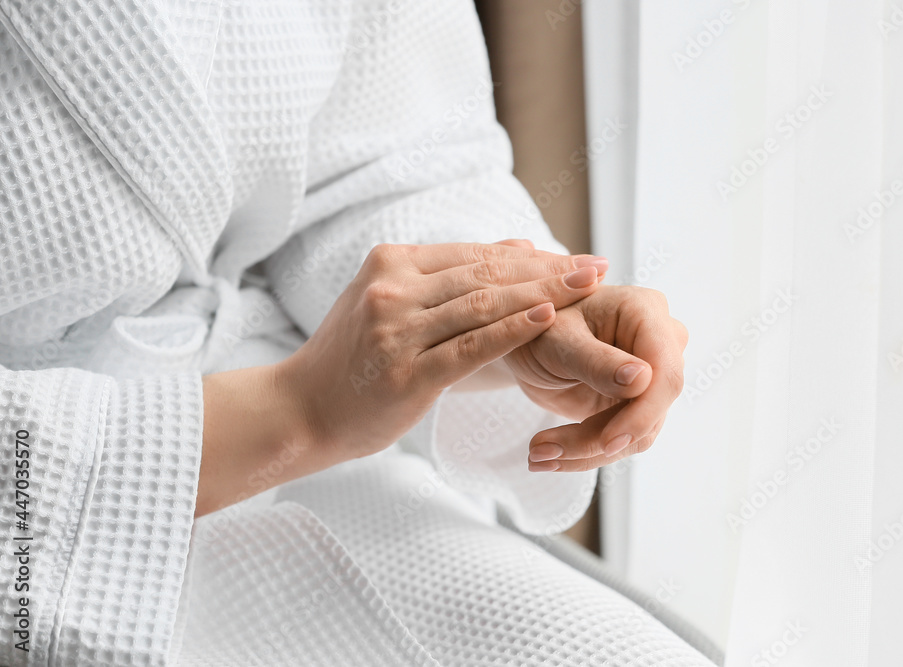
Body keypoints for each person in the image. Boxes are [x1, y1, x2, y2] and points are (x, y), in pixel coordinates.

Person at [0, 0, 697, 664]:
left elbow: (390, 157)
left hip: (323, 457)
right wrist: (298, 410)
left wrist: (496, 314)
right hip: (64, 526)